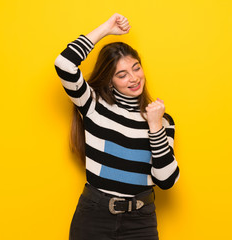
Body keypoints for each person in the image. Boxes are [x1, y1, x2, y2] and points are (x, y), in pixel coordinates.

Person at [54, 13, 180, 240]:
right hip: (95, 216)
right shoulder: (93, 104)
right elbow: (64, 64)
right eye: (122, 75)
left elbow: (166, 181)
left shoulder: (161, 119)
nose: (133, 78)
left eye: (136, 68)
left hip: (141, 220)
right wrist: (106, 29)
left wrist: (154, 127)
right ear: (109, 79)